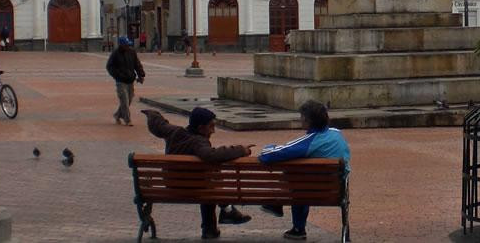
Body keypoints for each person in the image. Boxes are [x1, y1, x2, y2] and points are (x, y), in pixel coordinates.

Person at [142, 107, 253, 239]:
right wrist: (241, 150)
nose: (213, 131)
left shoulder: (174, 131)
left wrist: (152, 114)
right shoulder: (199, 142)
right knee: (209, 183)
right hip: (193, 189)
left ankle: (226, 212)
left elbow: (158, 126)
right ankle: (214, 224)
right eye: (211, 126)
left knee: (207, 179)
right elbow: (211, 155)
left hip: (171, 186)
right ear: (201, 128)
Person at [259, 100, 351, 241]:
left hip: (307, 190)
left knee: (297, 174)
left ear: (308, 121)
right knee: (302, 175)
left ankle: (290, 219)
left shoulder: (310, 141)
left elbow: (269, 156)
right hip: (336, 189)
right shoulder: (337, 134)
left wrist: (268, 147)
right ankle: (344, 231)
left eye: (302, 117)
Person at [106, 36, 145, 126]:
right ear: (121, 45)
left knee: (129, 100)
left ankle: (117, 115)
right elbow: (109, 67)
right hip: (120, 81)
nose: (128, 46)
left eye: (128, 45)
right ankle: (128, 120)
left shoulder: (132, 52)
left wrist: (141, 75)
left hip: (130, 80)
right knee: (124, 100)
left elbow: (137, 64)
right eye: (126, 45)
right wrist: (117, 75)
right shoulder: (115, 54)